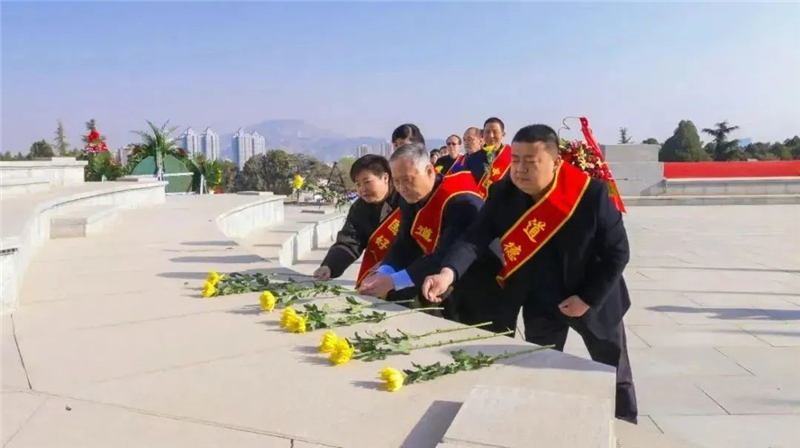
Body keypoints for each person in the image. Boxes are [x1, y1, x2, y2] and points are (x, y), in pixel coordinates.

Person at [421, 124, 638, 423]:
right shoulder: (504, 192)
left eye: (530, 161)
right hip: (541, 299)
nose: (520, 170)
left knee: (614, 372)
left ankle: (626, 425)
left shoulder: (590, 194)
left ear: (556, 162)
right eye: (515, 160)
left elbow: (618, 253)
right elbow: (475, 237)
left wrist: (587, 299)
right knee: (538, 370)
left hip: (593, 296)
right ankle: (540, 423)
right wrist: (448, 273)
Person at [358, 143, 504, 326]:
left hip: (481, 283)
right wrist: (383, 272)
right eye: (397, 181)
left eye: (407, 179)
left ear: (428, 171)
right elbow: (405, 243)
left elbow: (445, 253)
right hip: (443, 282)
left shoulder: (460, 200)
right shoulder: (411, 197)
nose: (402, 188)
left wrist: (393, 281)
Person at [314, 154, 402, 287]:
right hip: (380, 277)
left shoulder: (406, 199)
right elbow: (350, 242)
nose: (362, 189)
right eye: (358, 184)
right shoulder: (359, 208)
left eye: (367, 182)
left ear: (385, 178)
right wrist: (329, 266)